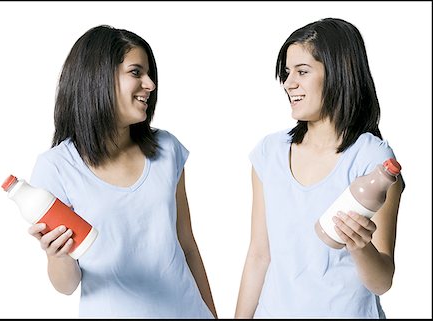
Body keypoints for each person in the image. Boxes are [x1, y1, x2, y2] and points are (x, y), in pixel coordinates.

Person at [27, 25, 217, 318]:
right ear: (99, 78)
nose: (150, 84)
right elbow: (66, 285)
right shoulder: (57, 167)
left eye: (149, 74)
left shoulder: (166, 150)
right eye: (136, 72)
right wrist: (58, 255)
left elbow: (187, 244)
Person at [235, 18, 405, 318]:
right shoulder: (269, 153)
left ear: (340, 72)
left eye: (302, 72)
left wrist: (359, 245)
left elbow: (382, 282)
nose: (289, 83)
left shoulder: (372, 159)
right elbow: (259, 256)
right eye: (287, 73)